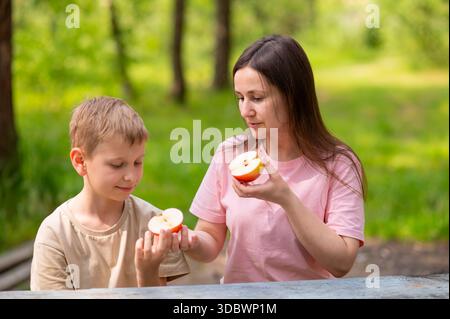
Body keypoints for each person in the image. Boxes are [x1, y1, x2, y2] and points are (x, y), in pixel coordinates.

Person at [183, 35, 367, 283]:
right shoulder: (231, 153)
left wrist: (285, 198)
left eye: (257, 98)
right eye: (240, 98)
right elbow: (209, 238)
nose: (245, 111)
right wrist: (188, 241)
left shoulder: (339, 164)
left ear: (293, 96)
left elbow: (341, 262)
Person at [30, 96, 190, 290]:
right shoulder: (55, 234)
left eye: (138, 162)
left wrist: (149, 273)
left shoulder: (153, 224)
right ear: (80, 161)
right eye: (117, 165)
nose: (131, 176)